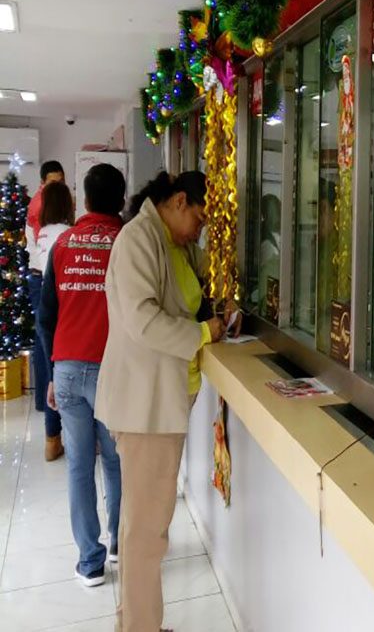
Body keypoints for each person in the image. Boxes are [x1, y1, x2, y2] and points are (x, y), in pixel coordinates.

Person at [96, 171, 227, 632]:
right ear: (177, 201)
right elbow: (143, 320)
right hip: (145, 407)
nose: (199, 228)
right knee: (147, 534)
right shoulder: (139, 239)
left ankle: (132, 623)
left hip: (158, 403)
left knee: (140, 526)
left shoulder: (174, 242)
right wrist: (201, 333)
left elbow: (194, 288)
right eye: (199, 217)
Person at [38, 165, 126, 588]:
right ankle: (120, 544)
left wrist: (52, 373)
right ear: (121, 201)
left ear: (85, 201)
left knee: (78, 465)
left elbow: (46, 317)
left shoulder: (62, 244)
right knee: (115, 459)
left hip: (68, 368)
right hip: (113, 370)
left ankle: (90, 562)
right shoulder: (128, 243)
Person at [27, 160, 67, 460]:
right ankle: (56, 434)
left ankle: (51, 433)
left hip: (41, 282)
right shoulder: (57, 228)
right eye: (54, 182)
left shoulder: (44, 224)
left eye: (61, 181)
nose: (58, 187)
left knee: (47, 351)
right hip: (48, 285)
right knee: (56, 357)